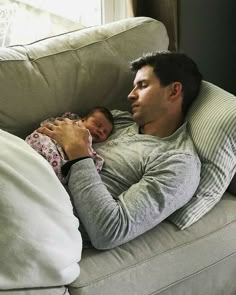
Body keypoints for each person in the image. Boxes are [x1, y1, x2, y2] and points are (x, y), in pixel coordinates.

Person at [38, 51, 203, 250]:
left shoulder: (177, 162)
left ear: (174, 91)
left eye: (142, 85)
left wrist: (78, 152)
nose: (130, 95)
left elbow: (108, 232)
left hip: (44, 215)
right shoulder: (120, 120)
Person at [26, 107, 114, 184]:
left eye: (105, 132)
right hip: (44, 142)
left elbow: (86, 158)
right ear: (83, 120)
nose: (100, 131)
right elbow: (51, 125)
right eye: (97, 124)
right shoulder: (72, 124)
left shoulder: (89, 144)